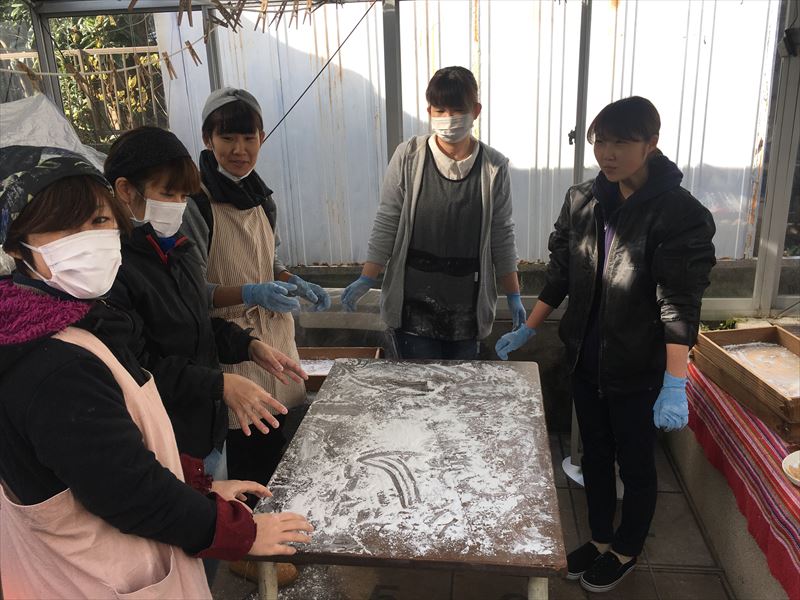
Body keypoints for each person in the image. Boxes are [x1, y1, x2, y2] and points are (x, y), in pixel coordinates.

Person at [0, 146, 313, 598]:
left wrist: (199, 486)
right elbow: (130, 490)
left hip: (154, 505)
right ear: (17, 245)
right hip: (92, 578)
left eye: (99, 220)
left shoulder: (79, 317)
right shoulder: (53, 366)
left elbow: (113, 453)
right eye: (65, 227)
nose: (90, 239)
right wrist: (240, 533)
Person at [495, 97, 716, 593]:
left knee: (635, 464)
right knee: (592, 455)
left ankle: (627, 548)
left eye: (622, 142)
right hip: (585, 358)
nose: (607, 153)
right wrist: (530, 326)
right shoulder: (582, 200)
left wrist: (674, 382)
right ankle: (598, 539)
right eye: (600, 141)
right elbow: (561, 274)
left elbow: (679, 304)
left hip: (638, 367)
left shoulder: (680, 215)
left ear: (651, 143)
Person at [103, 126, 306, 479]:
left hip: (205, 429)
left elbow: (197, 323)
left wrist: (247, 345)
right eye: (167, 193)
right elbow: (137, 366)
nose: (178, 206)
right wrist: (220, 384)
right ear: (125, 190)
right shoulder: (113, 270)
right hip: (164, 440)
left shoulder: (176, 251)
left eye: (184, 196)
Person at [185, 88, 331, 488]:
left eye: (249, 138)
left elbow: (272, 263)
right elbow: (192, 291)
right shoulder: (195, 204)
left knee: (287, 458)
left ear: (262, 138)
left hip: (278, 345)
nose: (239, 149)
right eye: (227, 138)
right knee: (248, 467)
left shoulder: (263, 199)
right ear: (207, 139)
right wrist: (249, 293)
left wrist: (294, 282)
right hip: (233, 351)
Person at [340, 66, 524, 360]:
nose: (448, 118)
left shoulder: (493, 167)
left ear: (476, 111)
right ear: (429, 111)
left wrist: (513, 295)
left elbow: (502, 234)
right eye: (440, 110)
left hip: (466, 308)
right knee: (417, 384)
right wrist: (367, 277)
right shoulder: (409, 156)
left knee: (460, 384)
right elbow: (388, 219)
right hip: (413, 305)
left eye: (458, 110)